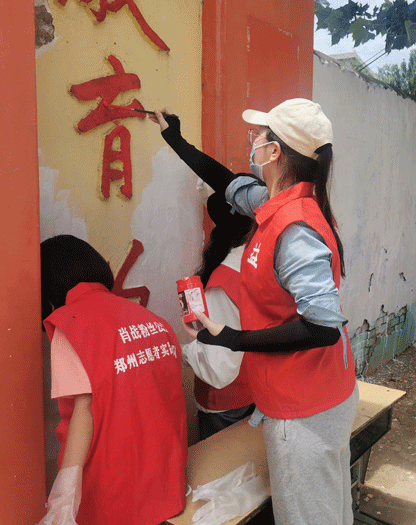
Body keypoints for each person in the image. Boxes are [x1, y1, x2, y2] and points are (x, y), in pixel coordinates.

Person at [183, 98, 357, 525]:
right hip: (316, 393)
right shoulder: (275, 203)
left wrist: (233, 338)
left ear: (275, 152)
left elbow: (322, 328)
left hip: (303, 410)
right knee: (329, 510)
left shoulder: (294, 227)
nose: (253, 142)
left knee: (307, 516)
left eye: (258, 135)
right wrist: (175, 138)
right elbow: (227, 182)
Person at [39, 235, 187, 525]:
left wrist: (63, 499)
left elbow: (84, 412)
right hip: (167, 485)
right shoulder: (150, 319)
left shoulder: (71, 323)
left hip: (115, 494)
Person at [150, 109, 255, 440]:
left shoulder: (223, 282)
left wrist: (185, 347)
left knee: (226, 482)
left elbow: (218, 368)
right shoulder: (261, 261)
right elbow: (223, 178)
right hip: (257, 389)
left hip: (227, 400)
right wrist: (176, 139)